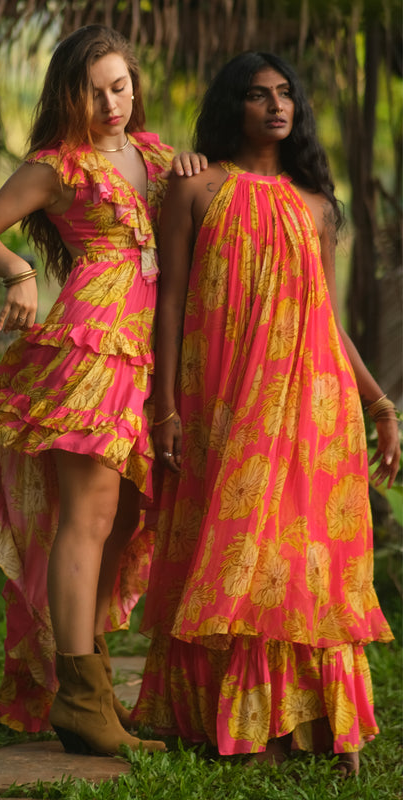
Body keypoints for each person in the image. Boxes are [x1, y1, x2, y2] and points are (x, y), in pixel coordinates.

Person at [133, 51, 399, 775]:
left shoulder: (317, 205)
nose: (275, 105)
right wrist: (165, 408)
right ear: (232, 106)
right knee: (234, 553)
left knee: (307, 560)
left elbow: (330, 320)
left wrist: (379, 405)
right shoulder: (195, 189)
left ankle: (319, 726)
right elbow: (172, 303)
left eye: (285, 94)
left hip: (315, 411)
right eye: (257, 95)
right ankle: (238, 723)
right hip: (222, 401)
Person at [0, 25, 206, 756]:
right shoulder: (57, 166)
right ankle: (84, 701)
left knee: (125, 520)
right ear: (69, 94)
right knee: (86, 519)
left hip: (155, 352)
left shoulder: (155, 154)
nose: (111, 102)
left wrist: (193, 167)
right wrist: (20, 273)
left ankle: (83, 695)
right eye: (94, 91)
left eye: (120, 86)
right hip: (93, 348)